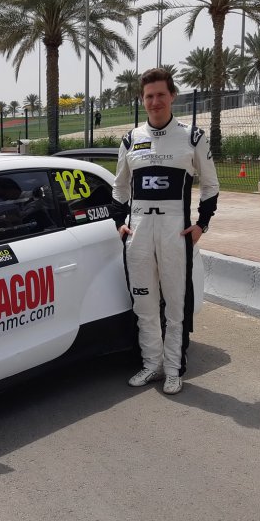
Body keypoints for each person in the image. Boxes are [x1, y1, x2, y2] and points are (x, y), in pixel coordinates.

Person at [110, 67, 219, 395]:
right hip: (139, 235)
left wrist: (201, 224)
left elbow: (211, 185)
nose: (155, 101)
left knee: (175, 306)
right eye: (149, 96)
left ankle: (173, 369)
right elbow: (119, 187)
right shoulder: (131, 139)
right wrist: (119, 222)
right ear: (142, 100)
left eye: (160, 94)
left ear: (172, 96)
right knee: (143, 305)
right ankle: (151, 364)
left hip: (175, 234)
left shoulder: (192, 137)